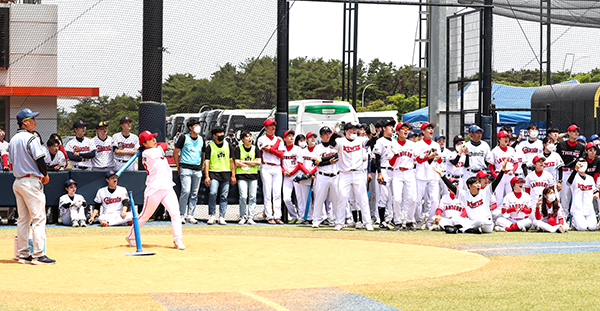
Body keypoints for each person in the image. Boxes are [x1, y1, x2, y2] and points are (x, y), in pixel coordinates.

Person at [126, 130, 185, 250]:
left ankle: (178, 240)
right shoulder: (149, 153)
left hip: (167, 187)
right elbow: (163, 146)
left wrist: (142, 147)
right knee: (144, 215)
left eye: (153, 138)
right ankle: (131, 236)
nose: (154, 140)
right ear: (144, 143)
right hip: (154, 189)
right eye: (150, 139)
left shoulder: (154, 149)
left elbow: (165, 145)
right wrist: (143, 148)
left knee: (175, 214)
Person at [10, 108, 55, 264]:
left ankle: (23, 254)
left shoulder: (13, 139)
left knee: (23, 219)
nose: (35, 121)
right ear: (25, 122)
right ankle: (38, 254)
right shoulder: (31, 138)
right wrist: (45, 175)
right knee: (38, 218)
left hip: (17, 181)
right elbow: (40, 160)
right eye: (33, 118)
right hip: (30, 180)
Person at [435, 159, 506, 233]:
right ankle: (471, 230)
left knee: (478, 221)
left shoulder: (485, 192)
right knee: (455, 219)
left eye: (479, 183)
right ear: (470, 186)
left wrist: (503, 170)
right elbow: (451, 186)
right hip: (472, 222)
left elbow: (496, 182)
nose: (478, 184)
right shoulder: (465, 195)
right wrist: (441, 174)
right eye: (476, 183)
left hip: (486, 223)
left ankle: (460, 229)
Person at [332, 122, 374, 231]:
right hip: (344, 173)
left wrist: (373, 134)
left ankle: (367, 222)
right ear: (346, 131)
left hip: (358, 173)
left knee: (363, 198)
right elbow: (331, 143)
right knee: (341, 197)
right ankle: (339, 223)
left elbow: (371, 142)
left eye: (355, 129)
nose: (354, 131)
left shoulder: (360, 140)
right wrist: (335, 133)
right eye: (351, 129)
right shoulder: (340, 141)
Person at [387, 122, 418, 230]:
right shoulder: (393, 144)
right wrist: (395, 155)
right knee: (396, 199)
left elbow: (419, 159)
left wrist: (429, 157)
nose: (406, 130)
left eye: (407, 129)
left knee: (413, 198)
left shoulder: (412, 145)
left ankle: (409, 221)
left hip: (409, 172)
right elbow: (391, 163)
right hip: (397, 172)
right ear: (397, 131)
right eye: (403, 128)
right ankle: (398, 221)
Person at [174, 118, 205, 224]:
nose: (198, 127)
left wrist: (201, 166)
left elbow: (202, 153)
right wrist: (178, 167)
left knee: (194, 193)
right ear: (190, 128)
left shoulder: (201, 139)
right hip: (185, 167)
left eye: (198, 125)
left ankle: (191, 214)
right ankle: (181, 214)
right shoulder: (184, 137)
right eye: (195, 125)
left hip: (197, 169)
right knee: (185, 191)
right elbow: (176, 152)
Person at [204, 127, 236, 225]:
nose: (221, 134)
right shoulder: (210, 147)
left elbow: (232, 161)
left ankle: (222, 216)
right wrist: (206, 176)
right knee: (213, 193)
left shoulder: (228, 145)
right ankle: (212, 215)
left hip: (226, 173)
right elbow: (207, 162)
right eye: (219, 133)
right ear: (214, 135)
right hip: (214, 173)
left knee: (224, 196)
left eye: (222, 132)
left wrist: (233, 175)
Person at [414, 122, 442, 230]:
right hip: (421, 174)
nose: (431, 130)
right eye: (428, 128)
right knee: (417, 200)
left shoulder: (436, 145)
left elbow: (439, 160)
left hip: (433, 174)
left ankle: (430, 222)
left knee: (435, 199)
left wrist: (437, 157)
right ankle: (419, 221)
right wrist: (428, 157)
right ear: (423, 131)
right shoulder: (418, 144)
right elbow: (418, 160)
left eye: (432, 129)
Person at [257, 119, 285, 224]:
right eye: (270, 125)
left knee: (277, 193)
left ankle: (277, 216)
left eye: (274, 125)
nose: (273, 127)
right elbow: (270, 149)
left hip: (277, 166)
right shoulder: (262, 138)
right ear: (265, 127)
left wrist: (275, 147)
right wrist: (277, 143)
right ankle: (269, 216)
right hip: (266, 166)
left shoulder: (279, 140)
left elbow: (280, 155)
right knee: (267, 192)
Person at [312, 126, 340, 228]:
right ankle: (316, 220)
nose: (327, 135)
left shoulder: (335, 146)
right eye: (325, 134)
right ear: (321, 136)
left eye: (329, 133)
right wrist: (329, 161)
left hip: (335, 176)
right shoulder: (317, 148)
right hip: (322, 176)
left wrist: (324, 160)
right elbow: (315, 162)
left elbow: (337, 156)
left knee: (336, 199)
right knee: (319, 198)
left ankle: (338, 220)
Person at [556, 124, 585, 216]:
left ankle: (576, 216)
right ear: (568, 133)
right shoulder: (561, 145)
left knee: (577, 195)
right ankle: (565, 216)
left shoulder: (581, 147)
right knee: (564, 197)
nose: (576, 133)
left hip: (575, 172)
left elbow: (581, 160)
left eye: (577, 131)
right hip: (564, 172)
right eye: (574, 131)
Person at [373, 119, 396, 230]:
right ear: (383, 128)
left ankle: (390, 219)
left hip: (394, 171)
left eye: (392, 126)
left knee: (392, 197)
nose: (391, 128)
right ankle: (382, 221)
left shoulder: (394, 141)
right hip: (384, 169)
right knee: (384, 197)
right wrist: (379, 173)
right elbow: (377, 158)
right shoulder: (380, 141)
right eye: (389, 126)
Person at [234, 130, 261, 225]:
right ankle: (243, 216)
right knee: (243, 196)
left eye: (250, 136)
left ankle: (251, 217)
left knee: (253, 197)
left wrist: (244, 162)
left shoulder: (255, 148)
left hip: (253, 176)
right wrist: (251, 162)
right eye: (247, 137)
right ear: (242, 139)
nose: (250, 138)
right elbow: (237, 163)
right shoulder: (238, 149)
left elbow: (258, 162)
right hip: (241, 176)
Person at [487, 130, 518, 208]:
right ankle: (498, 214)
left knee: (510, 195)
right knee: (499, 197)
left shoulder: (511, 150)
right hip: (499, 175)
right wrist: (496, 176)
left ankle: (510, 212)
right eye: (504, 137)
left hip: (510, 175)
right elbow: (490, 166)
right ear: (499, 139)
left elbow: (516, 163)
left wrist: (513, 171)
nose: (506, 139)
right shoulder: (494, 151)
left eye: (507, 137)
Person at [567, 159, 599, 231]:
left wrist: (596, 194)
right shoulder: (574, 177)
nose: (582, 166)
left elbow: (594, 190)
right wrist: (575, 170)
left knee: (593, 227)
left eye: (584, 164)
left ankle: (585, 222)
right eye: (580, 164)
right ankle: (574, 223)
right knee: (582, 228)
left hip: (589, 209)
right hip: (578, 209)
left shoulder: (590, 178)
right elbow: (568, 183)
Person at [280, 130, 304, 224]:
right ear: (285, 138)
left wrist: (292, 171)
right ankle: (294, 216)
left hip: (297, 174)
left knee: (299, 198)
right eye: (288, 136)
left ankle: (301, 217)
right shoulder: (283, 149)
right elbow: (279, 163)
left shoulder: (298, 149)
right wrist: (284, 171)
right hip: (287, 176)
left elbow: (299, 163)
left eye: (292, 136)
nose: (291, 137)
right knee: (286, 198)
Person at [296, 132, 318, 225]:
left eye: (314, 137)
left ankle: (318, 217)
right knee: (305, 198)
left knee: (318, 198)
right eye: (311, 138)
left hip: (316, 176)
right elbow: (300, 164)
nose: (313, 139)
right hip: (305, 177)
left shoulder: (318, 150)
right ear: (307, 140)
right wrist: (308, 173)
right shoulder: (302, 151)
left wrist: (312, 173)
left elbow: (319, 164)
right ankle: (308, 218)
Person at [463, 125, 490, 189]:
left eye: (480, 133)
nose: (479, 135)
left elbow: (488, 160)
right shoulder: (466, 145)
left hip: (481, 173)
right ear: (470, 133)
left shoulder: (485, 145)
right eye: (477, 133)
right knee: (468, 193)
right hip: (469, 173)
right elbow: (464, 163)